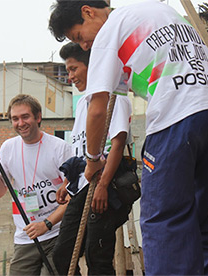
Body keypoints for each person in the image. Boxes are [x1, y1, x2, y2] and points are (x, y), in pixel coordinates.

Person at [48, 1, 208, 275]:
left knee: (162, 222)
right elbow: (120, 88)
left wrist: (92, 161)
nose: (84, 46)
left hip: (177, 121)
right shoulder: (158, 12)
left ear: (87, 12)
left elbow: (98, 110)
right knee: (196, 213)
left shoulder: (109, 32)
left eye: (79, 37)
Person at [52, 42, 132, 275]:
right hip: (83, 187)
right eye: (68, 71)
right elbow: (80, 151)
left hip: (104, 186)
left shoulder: (114, 99)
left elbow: (116, 146)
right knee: (62, 255)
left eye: (74, 69)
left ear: (92, 67)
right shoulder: (83, 106)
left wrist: (103, 186)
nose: (71, 76)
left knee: (97, 258)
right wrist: (69, 182)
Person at [0, 94, 73, 276]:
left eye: (25, 117)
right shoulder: (8, 148)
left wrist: (47, 224)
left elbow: (74, 194)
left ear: (38, 117)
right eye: (15, 119)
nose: (20, 123)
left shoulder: (60, 148)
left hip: (57, 233)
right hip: (26, 237)